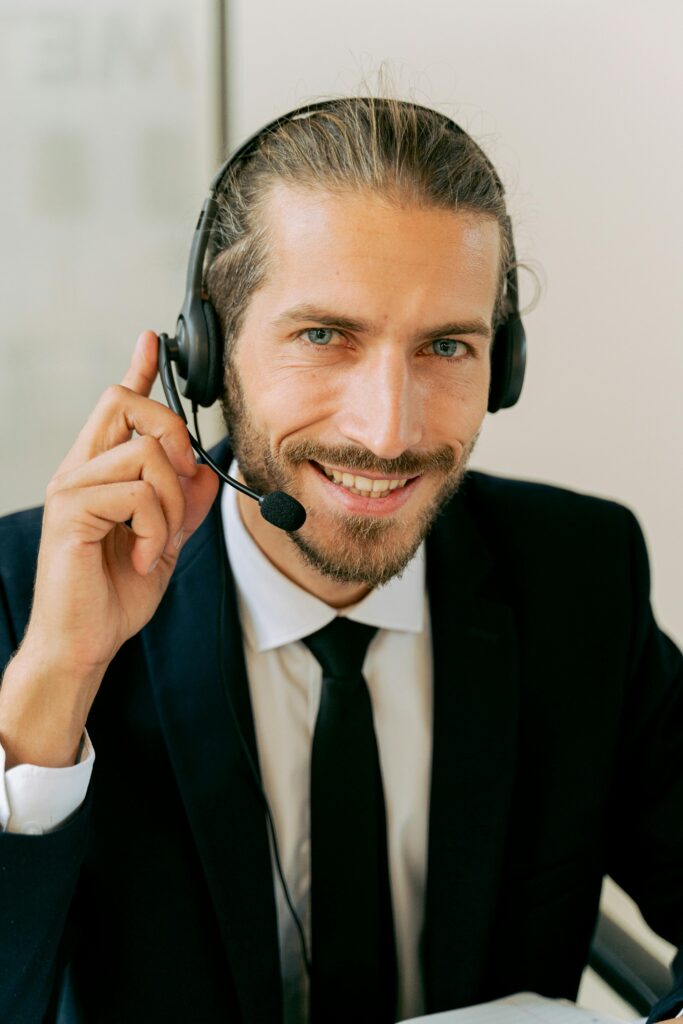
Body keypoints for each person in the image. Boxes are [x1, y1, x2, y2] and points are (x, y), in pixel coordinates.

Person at [0, 97, 681, 1024]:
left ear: (504, 366)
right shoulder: (30, 593)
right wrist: (58, 673)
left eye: (447, 346)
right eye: (323, 336)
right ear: (206, 352)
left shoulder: (578, 574)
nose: (387, 431)